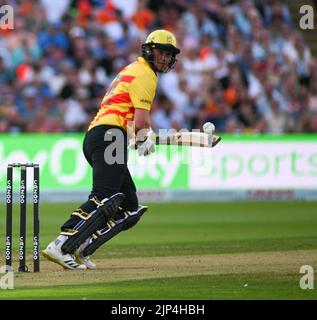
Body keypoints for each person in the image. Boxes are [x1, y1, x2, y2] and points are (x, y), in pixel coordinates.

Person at [42, 29, 181, 270]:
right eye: (161, 52)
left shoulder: (132, 69)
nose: (165, 59)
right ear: (148, 50)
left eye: (169, 55)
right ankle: (61, 243)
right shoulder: (145, 75)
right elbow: (140, 121)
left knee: (128, 206)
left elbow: (128, 117)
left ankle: (81, 246)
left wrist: (140, 137)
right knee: (103, 196)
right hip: (109, 136)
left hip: (102, 135)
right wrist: (142, 136)